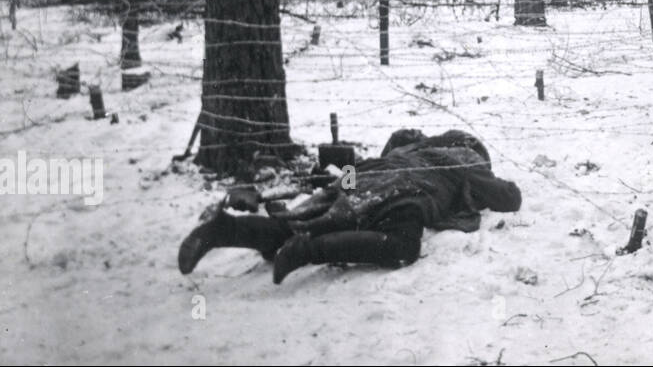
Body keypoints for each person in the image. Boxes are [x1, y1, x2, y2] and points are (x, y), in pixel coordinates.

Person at [178, 129, 521, 284]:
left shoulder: (409, 147)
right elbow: (509, 198)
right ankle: (309, 249)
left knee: (313, 214)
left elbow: (393, 143)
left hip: (361, 175)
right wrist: (483, 178)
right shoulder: (463, 161)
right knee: (401, 246)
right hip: (408, 191)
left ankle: (226, 229)